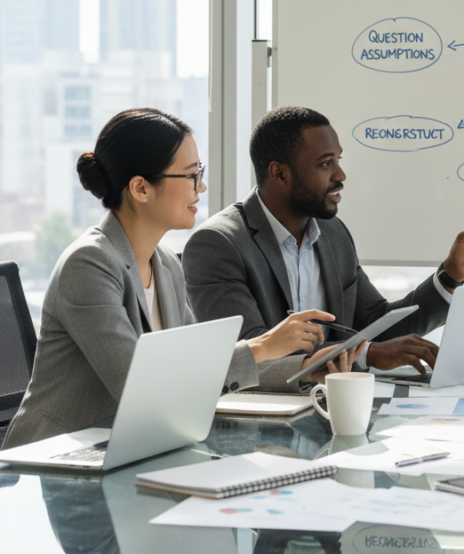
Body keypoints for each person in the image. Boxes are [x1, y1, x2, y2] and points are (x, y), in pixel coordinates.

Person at [3, 108, 363, 450]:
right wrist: (264, 345)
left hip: (132, 448)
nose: (201, 188)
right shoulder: (89, 264)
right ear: (141, 189)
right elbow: (139, 386)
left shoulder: (166, 265)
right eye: (191, 175)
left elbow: (198, 369)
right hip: (52, 462)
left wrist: (305, 369)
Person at [182, 106, 464, 375]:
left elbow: (376, 326)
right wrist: (366, 354)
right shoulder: (218, 244)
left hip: (332, 406)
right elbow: (251, 354)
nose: (341, 175)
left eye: (338, 160)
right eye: (325, 164)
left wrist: (451, 275)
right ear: (279, 174)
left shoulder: (332, 233)